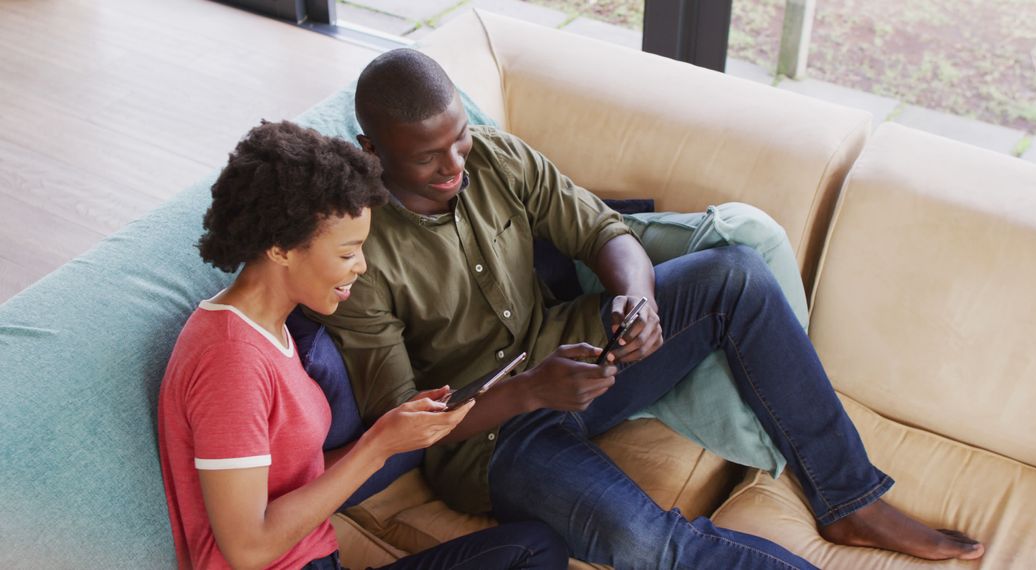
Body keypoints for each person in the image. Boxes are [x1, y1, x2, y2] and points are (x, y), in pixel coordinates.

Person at [311, 49, 986, 569]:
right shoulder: (356, 251)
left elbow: (603, 231)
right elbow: (398, 426)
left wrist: (636, 294)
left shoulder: (495, 158)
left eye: (458, 136)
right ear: (373, 150)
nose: (454, 161)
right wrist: (527, 393)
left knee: (736, 276)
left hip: (578, 355)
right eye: (428, 156)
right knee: (647, 539)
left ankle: (850, 497)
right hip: (494, 443)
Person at [156, 120, 569, 570]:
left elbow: (296, 479)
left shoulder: (271, 329)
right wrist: (376, 446)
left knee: (534, 548)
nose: (362, 267)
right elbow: (247, 548)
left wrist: (394, 432)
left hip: (320, 559)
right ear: (280, 248)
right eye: (347, 252)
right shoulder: (230, 361)